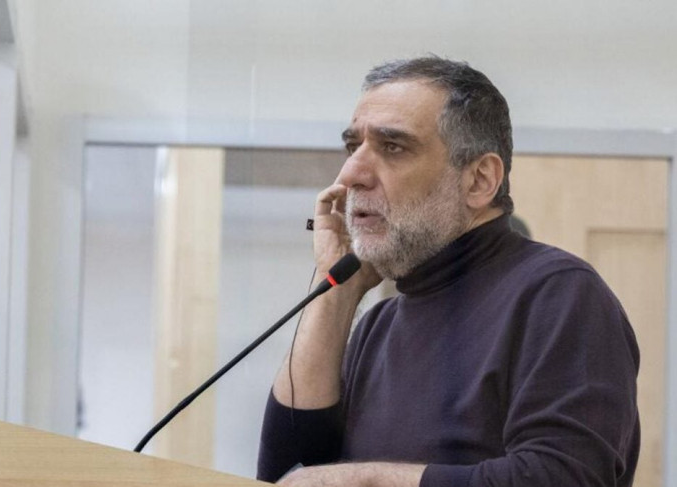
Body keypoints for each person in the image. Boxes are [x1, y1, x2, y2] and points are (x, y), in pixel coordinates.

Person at [256, 56, 640, 486]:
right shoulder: (379, 326)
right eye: (353, 147)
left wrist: (366, 481)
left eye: (393, 147)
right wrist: (336, 285)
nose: (350, 175)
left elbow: (565, 477)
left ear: (479, 180)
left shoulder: (559, 293)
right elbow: (284, 476)